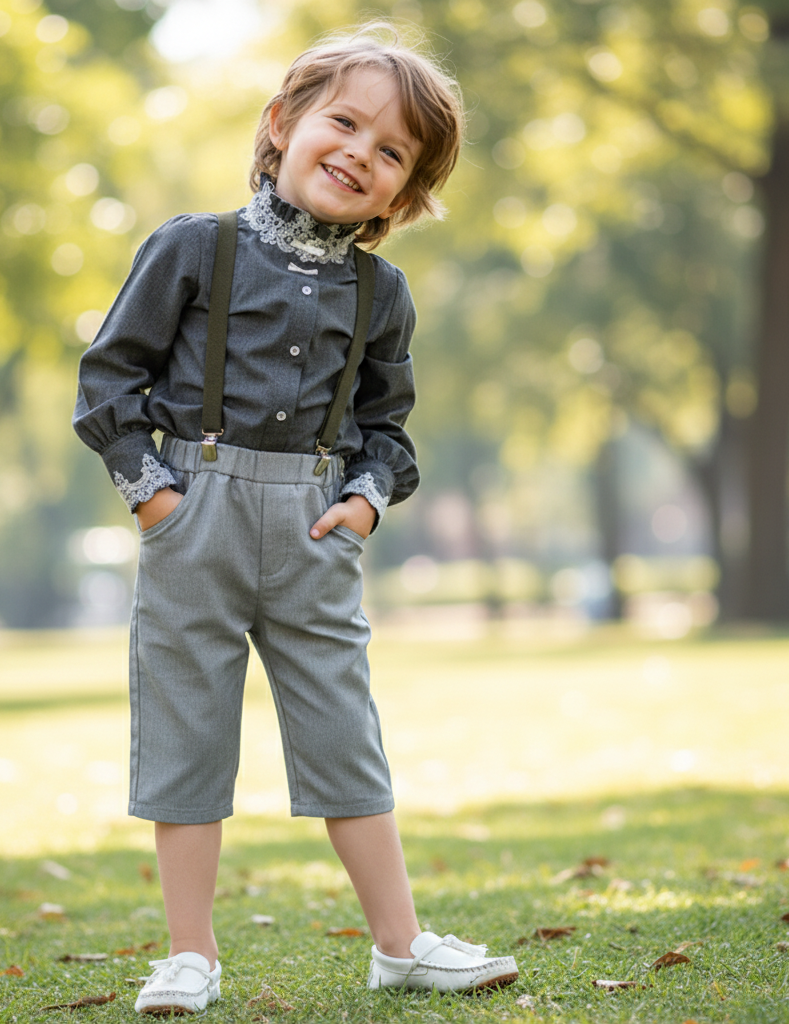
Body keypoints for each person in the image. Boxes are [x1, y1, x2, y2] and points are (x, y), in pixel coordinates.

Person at [73, 23, 519, 1016]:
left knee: (341, 729)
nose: (360, 150)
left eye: (391, 150)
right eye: (344, 121)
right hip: (194, 512)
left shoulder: (382, 294)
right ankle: (189, 953)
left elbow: (386, 430)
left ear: (402, 196)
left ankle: (398, 943)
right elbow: (109, 379)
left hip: (315, 522)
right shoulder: (195, 247)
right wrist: (154, 495)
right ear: (281, 125)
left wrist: (362, 501)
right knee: (186, 730)